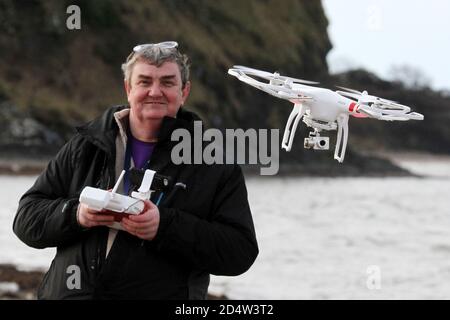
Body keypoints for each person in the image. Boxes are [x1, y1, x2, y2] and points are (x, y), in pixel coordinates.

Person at [13, 41, 258, 299]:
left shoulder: (214, 164)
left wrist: (164, 226)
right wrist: (78, 214)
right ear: (128, 88)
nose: (155, 91)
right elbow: (26, 219)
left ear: (184, 92)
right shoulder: (86, 145)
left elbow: (240, 252)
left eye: (167, 82)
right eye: (144, 81)